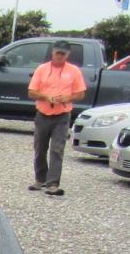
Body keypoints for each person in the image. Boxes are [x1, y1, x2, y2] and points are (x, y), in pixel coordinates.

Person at [28, 40, 87, 196]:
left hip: (62, 115)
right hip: (42, 113)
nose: (60, 56)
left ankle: (53, 183)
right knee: (40, 148)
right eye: (57, 53)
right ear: (52, 52)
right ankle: (40, 179)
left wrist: (67, 97)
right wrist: (46, 97)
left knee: (57, 149)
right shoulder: (42, 69)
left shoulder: (74, 71)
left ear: (68, 55)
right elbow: (31, 92)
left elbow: (81, 94)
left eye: (63, 54)